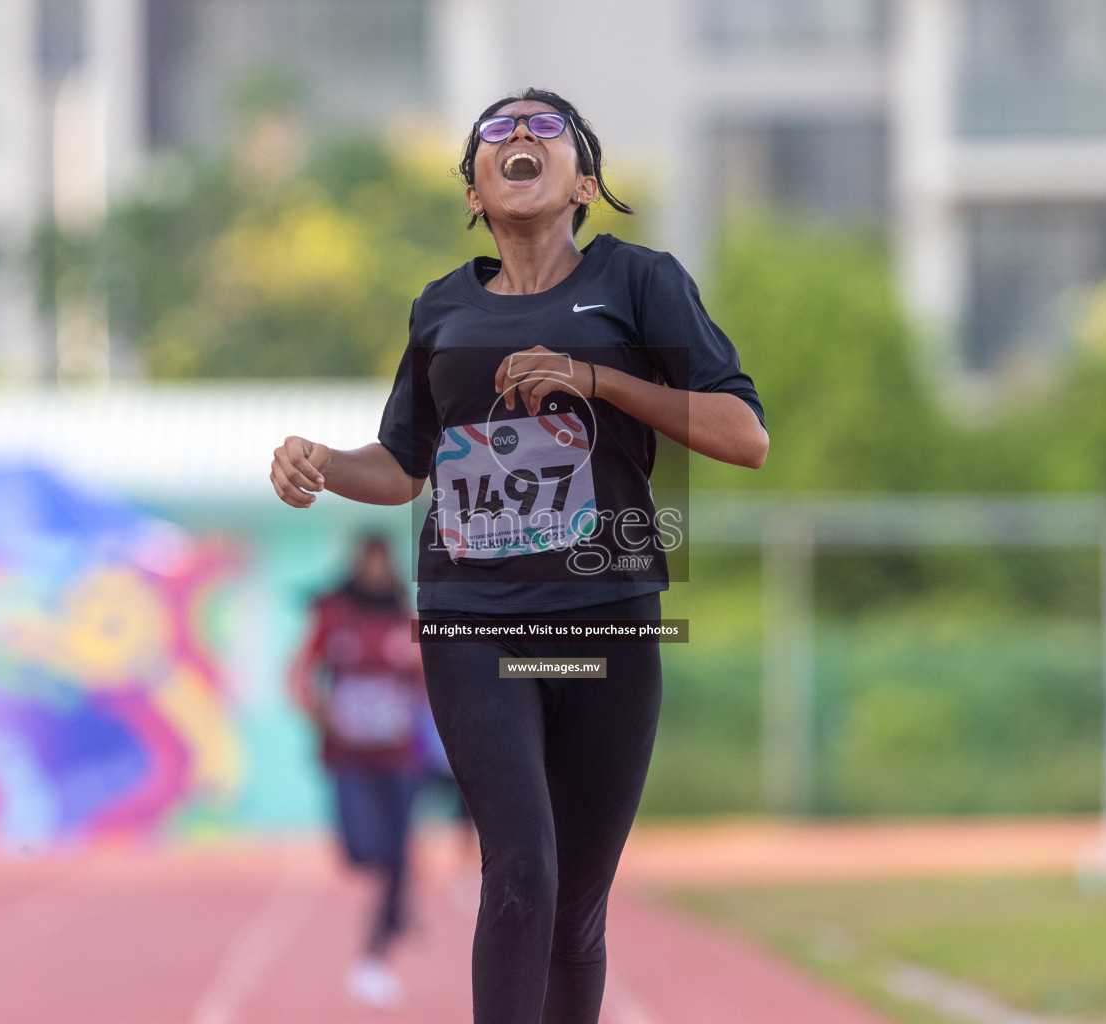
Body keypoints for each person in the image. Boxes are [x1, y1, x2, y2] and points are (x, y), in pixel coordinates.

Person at [271, 87, 767, 1024]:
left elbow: (744, 436)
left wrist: (593, 379)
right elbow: (402, 464)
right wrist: (324, 463)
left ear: (584, 179)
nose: (521, 136)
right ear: (473, 193)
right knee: (521, 869)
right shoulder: (441, 310)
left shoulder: (638, 283)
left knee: (576, 908)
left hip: (605, 623)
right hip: (476, 623)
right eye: (496, 131)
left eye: (547, 127)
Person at [287, 534, 424, 1009]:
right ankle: (399, 895)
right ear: (355, 565)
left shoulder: (407, 616)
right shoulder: (332, 615)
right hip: (348, 759)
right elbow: (298, 675)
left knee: (396, 853)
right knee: (361, 851)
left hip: (399, 757)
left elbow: (429, 680)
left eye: (381, 564)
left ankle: (377, 951)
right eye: (366, 563)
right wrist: (319, 713)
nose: (374, 572)